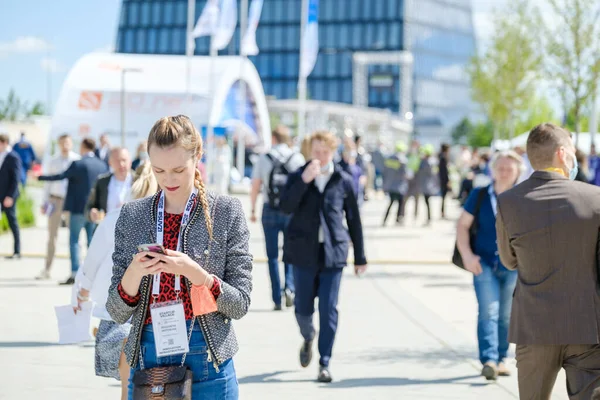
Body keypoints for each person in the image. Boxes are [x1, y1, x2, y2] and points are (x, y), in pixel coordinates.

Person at [106, 115, 252, 399]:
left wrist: (197, 274)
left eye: (178, 169)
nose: (168, 180)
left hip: (209, 352)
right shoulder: (132, 215)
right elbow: (116, 310)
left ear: (197, 156)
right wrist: (135, 272)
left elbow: (240, 304)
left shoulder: (227, 211)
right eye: (158, 170)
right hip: (149, 351)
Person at [496, 123, 600, 399]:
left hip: (533, 325)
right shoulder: (595, 199)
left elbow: (508, 261)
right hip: (587, 326)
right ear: (563, 154)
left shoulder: (508, 202)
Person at [280, 130, 367, 383]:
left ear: (333, 152)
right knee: (303, 308)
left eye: (325, 152)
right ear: (309, 151)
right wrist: (304, 181)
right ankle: (308, 336)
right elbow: (285, 206)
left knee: (329, 309)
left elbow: (354, 220)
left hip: (333, 254)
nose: (320, 156)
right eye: (316, 151)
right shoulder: (298, 175)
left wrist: (360, 256)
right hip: (303, 253)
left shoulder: (343, 179)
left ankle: (324, 362)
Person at [72, 161, 158, 400]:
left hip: (119, 311)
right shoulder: (165, 221)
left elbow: (91, 262)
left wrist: (83, 294)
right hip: (158, 314)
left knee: (128, 389)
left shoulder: (115, 218)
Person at [456, 150, 523, 380]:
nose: (504, 173)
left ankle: (502, 358)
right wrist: (467, 255)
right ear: (493, 170)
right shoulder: (480, 194)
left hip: (513, 267)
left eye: (509, 169)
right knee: (488, 311)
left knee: (506, 314)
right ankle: (490, 360)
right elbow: (462, 225)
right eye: (500, 168)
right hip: (483, 263)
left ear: (517, 172)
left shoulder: (523, 198)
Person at [38, 138, 108, 285]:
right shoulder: (101, 165)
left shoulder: (77, 163)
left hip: (78, 209)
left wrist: (40, 177)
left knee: (74, 240)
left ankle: (75, 272)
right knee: (92, 241)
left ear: (83, 147)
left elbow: (60, 176)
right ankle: (92, 273)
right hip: (95, 210)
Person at [250, 126, 305, 310]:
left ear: (273, 138)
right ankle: (289, 287)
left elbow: (256, 185)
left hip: (269, 210)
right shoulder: (296, 158)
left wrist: (252, 209)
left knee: (272, 256)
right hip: (291, 212)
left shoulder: (264, 158)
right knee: (289, 253)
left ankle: (276, 298)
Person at [37, 134, 81, 279]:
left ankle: (76, 271)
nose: (65, 145)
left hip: (71, 200)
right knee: (52, 235)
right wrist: (44, 202)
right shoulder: (53, 161)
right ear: (59, 144)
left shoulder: (76, 160)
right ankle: (47, 269)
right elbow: (48, 183)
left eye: (67, 142)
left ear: (71, 143)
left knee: (74, 236)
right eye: (62, 143)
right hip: (55, 200)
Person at [86, 148, 133, 224]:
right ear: (110, 163)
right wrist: (91, 213)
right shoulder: (102, 182)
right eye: (117, 161)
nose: (121, 164)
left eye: (124, 160)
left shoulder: (140, 181)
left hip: (133, 232)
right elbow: (89, 208)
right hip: (107, 230)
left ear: (130, 162)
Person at [0, 134, 23, 259]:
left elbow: (15, 179)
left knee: (12, 223)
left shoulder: (13, 157)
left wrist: (10, 196)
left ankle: (17, 251)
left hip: (8, 197)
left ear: (3, 143)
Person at [382, 141, 411, 226]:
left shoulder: (389, 159)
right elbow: (406, 174)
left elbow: (385, 172)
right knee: (400, 203)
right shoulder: (403, 160)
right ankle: (398, 219)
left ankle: (385, 220)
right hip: (400, 186)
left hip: (390, 185)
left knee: (390, 203)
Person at [415, 144, 440, 226]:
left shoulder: (425, 162)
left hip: (426, 185)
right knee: (427, 202)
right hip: (430, 185)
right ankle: (429, 218)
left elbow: (419, 172)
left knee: (426, 202)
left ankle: (429, 218)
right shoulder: (433, 162)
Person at [438, 143, 451, 219]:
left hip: (442, 180)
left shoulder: (441, 157)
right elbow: (445, 171)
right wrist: (448, 181)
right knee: (444, 197)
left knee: (443, 197)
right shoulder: (443, 158)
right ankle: (442, 212)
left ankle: (442, 211)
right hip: (444, 180)